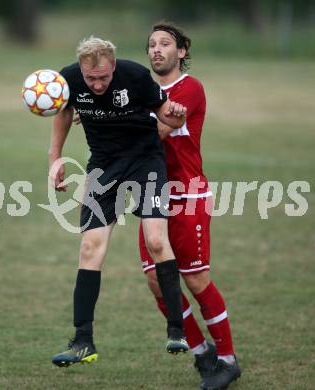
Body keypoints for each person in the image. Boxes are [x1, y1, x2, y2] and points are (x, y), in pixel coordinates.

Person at [49, 36, 190, 367]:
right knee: (89, 248)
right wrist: (54, 158)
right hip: (104, 165)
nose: (97, 84)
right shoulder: (68, 78)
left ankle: (177, 330)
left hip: (145, 161)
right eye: (90, 78)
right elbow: (63, 111)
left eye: (103, 77)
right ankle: (83, 341)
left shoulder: (136, 76)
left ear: (113, 66)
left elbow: (171, 119)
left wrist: (178, 114)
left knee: (157, 240)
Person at [139, 22, 241, 389]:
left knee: (195, 278)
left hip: (187, 194)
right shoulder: (143, 92)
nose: (156, 50)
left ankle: (228, 359)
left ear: (181, 51)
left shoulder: (189, 89)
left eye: (165, 44)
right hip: (153, 194)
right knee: (155, 279)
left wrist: (121, 133)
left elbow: (151, 135)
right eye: (151, 45)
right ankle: (202, 354)